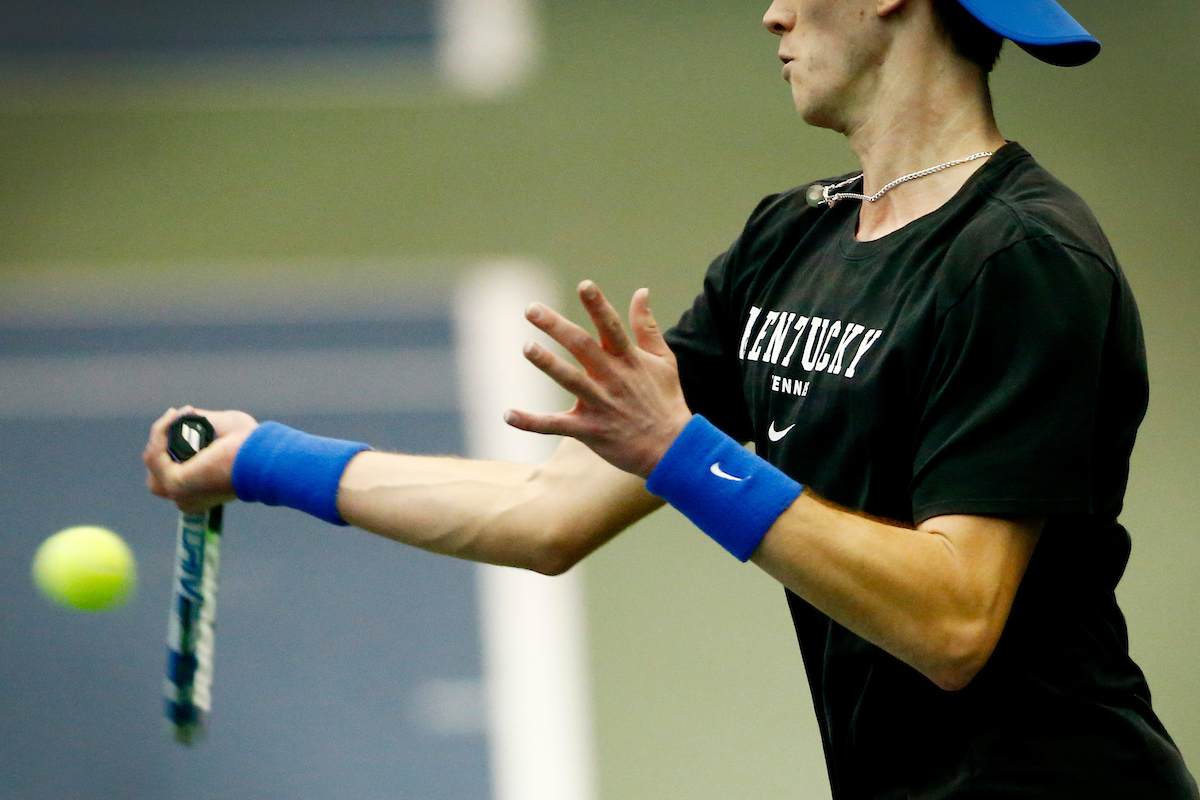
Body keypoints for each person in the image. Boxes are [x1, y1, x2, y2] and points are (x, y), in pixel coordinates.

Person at [145, 0, 1199, 797]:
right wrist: (263, 457)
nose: (773, 12)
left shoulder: (1021, 259)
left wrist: (683, 452)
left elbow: (954, 618)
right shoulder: (793, 240)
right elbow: (546, 512)